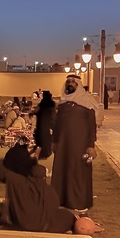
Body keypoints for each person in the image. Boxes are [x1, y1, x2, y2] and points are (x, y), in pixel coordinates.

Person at [0, 145, 81, 233]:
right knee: (67, 216)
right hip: (43, 226)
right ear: (44, 177)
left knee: (2, 208)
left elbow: (2, 172)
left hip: (20, 222)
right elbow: (54, 208)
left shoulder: (19, 182)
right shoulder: (49, 192)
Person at [51, 74, 98, 213]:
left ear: (79, 84)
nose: (70, 83)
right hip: (62, 145)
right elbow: (57, 125)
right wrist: (54, 141)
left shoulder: (87, 101)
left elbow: (91, 126)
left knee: (78, 171)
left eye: (73, 81)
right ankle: (60, 200)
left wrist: (91, 145)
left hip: (80, 145)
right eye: (68, 81)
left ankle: (79, 201)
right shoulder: (63, 102)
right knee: (61, 170)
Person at [33, 90, 55, 159]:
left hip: (41, 124)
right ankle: (47, 153)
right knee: (47, 140)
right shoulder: (53, 104)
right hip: (49, 125)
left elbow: (35, 111)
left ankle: (40, 154)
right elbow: (54, 115)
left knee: (40, 139)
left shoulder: (42, 104)